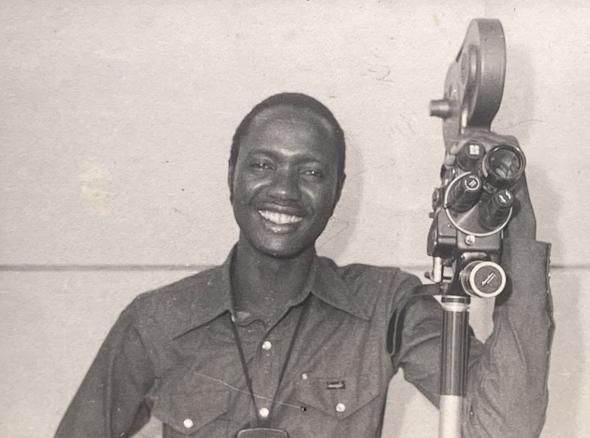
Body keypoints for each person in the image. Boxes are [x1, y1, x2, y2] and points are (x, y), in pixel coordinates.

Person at [55, 93, 553, 438]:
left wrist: (516, 225)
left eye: (311, 172)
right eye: (263, 165)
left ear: (336, 190)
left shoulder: (386, 307)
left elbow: (505, 427)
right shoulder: (157, 320)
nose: (284, 191)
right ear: (232, 176)